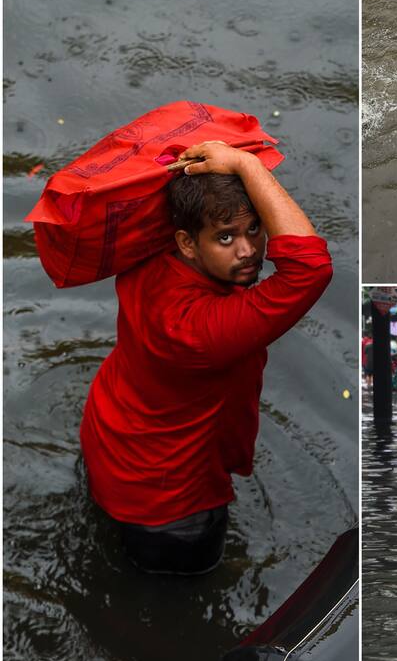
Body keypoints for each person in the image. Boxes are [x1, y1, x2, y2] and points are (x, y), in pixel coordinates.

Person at [80, 141, 333, 575]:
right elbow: (310, 267)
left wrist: (232, 176)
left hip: (107, 437)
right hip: (171, 508)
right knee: (181, 604)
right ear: (188, 243)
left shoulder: (151, 252)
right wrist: (245, 162)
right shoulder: (199, 331)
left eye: (255, 228)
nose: (249, 250)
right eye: (225, 237)